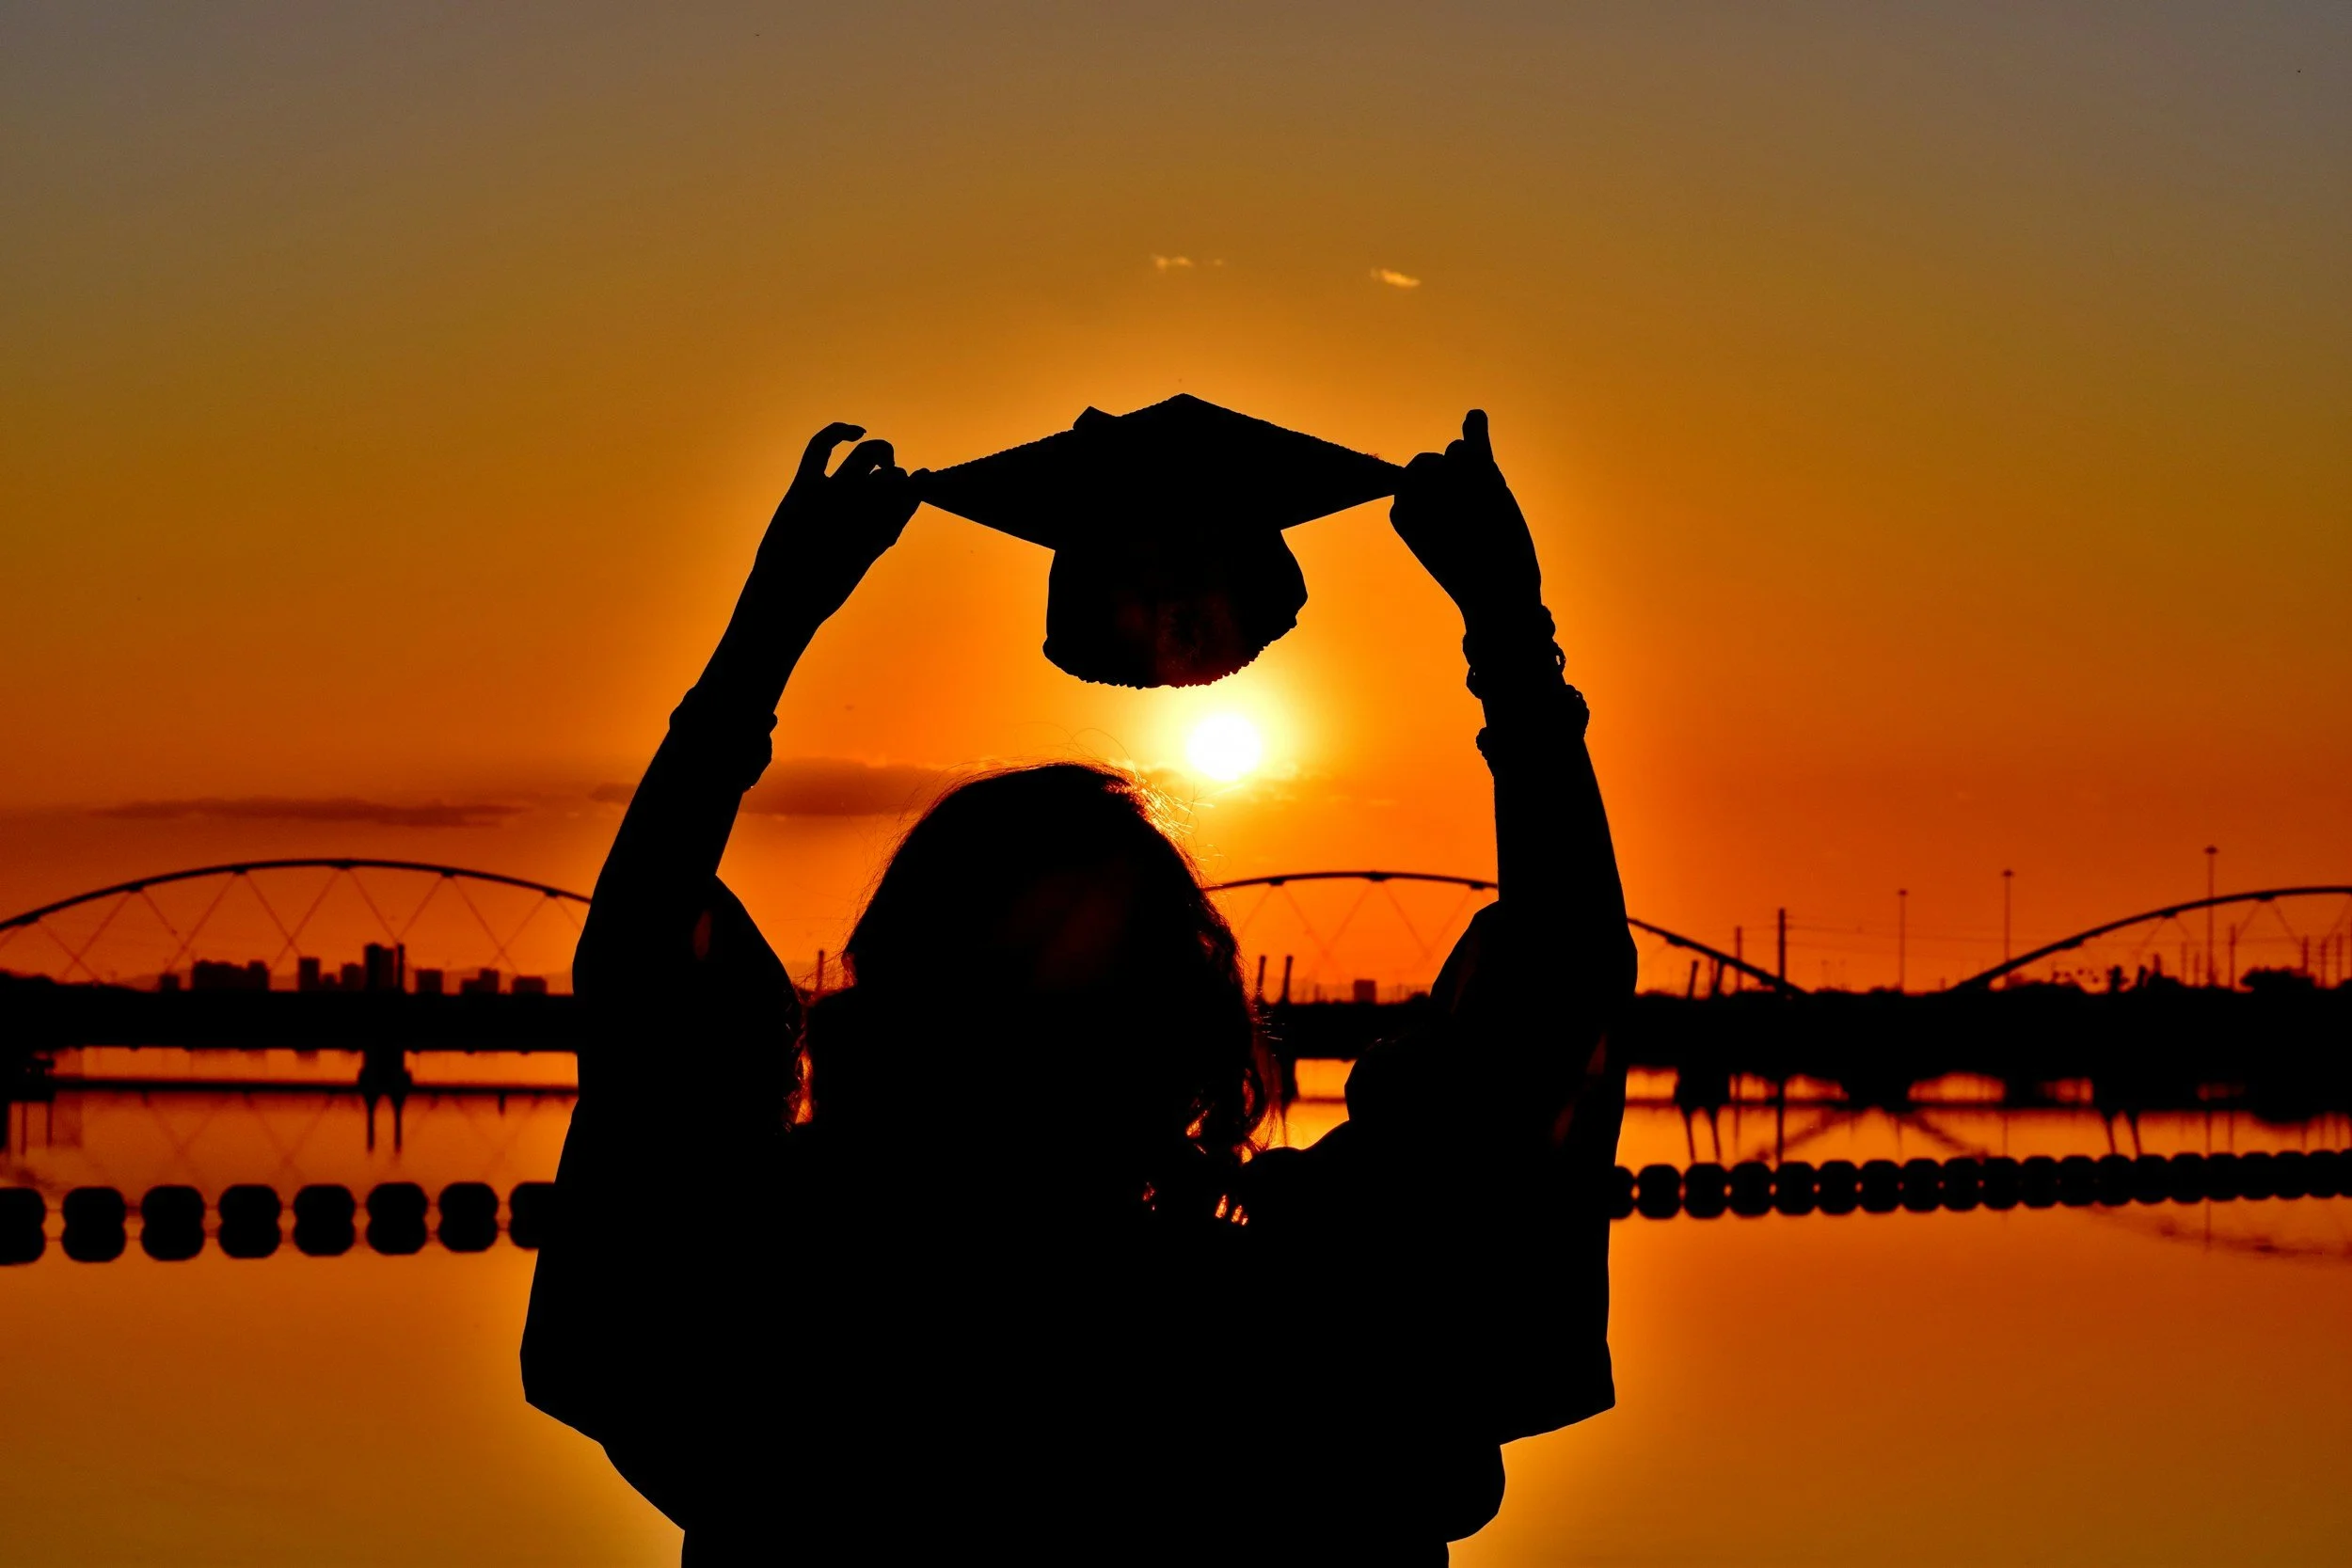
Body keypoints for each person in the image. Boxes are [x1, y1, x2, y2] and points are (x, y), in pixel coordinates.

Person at [522, 412, 1636, 1564]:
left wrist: (770, 627)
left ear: (889, 1001)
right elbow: (1553, 995)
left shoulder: (769, 1328)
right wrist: (1510, 635)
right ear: (1188, 1029)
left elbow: (651, 979)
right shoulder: (1310, 1341)